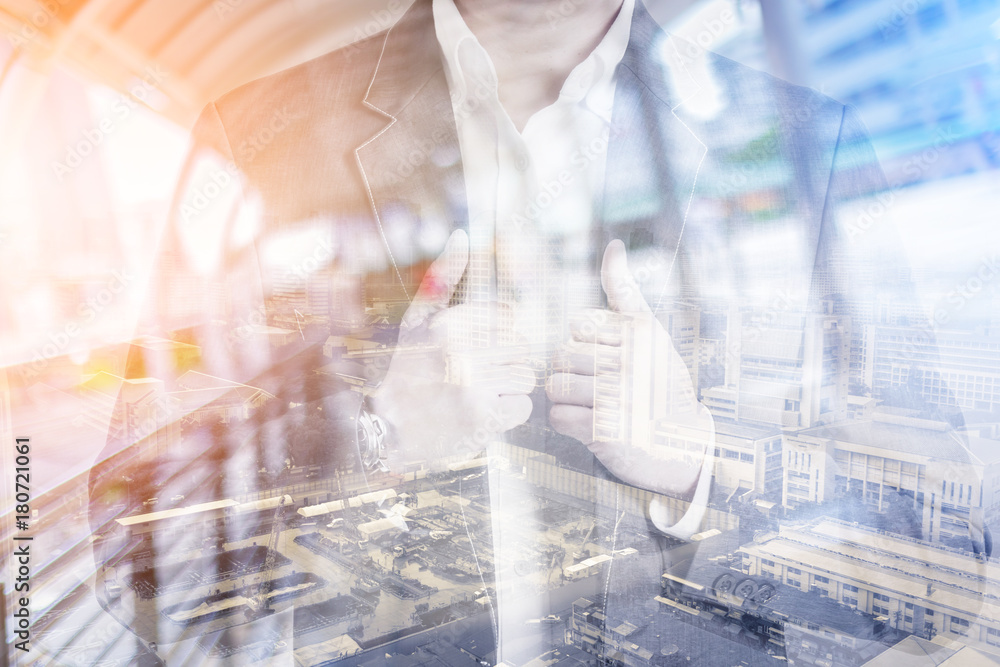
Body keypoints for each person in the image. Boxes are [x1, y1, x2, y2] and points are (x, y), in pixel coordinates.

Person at [88, 0, 915, 662]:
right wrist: (377, 440)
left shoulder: (808, 142)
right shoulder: (255, 138)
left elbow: (922, 551)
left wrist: (699, 465)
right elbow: (142, 556)